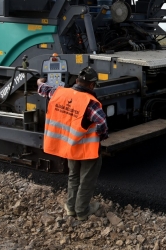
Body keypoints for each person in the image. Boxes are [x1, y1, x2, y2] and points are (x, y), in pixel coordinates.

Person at [37, 66, 108, 220]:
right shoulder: (91, 102)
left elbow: (44, 89)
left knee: (73, 176)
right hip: (87, 150)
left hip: (69, 146)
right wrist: (102, 136)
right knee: (86, 179)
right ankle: (82, 211)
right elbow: (102, 122)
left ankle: (71, 208)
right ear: (91, 85)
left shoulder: (60, 92)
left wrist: (39, 81)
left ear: (76, 81)